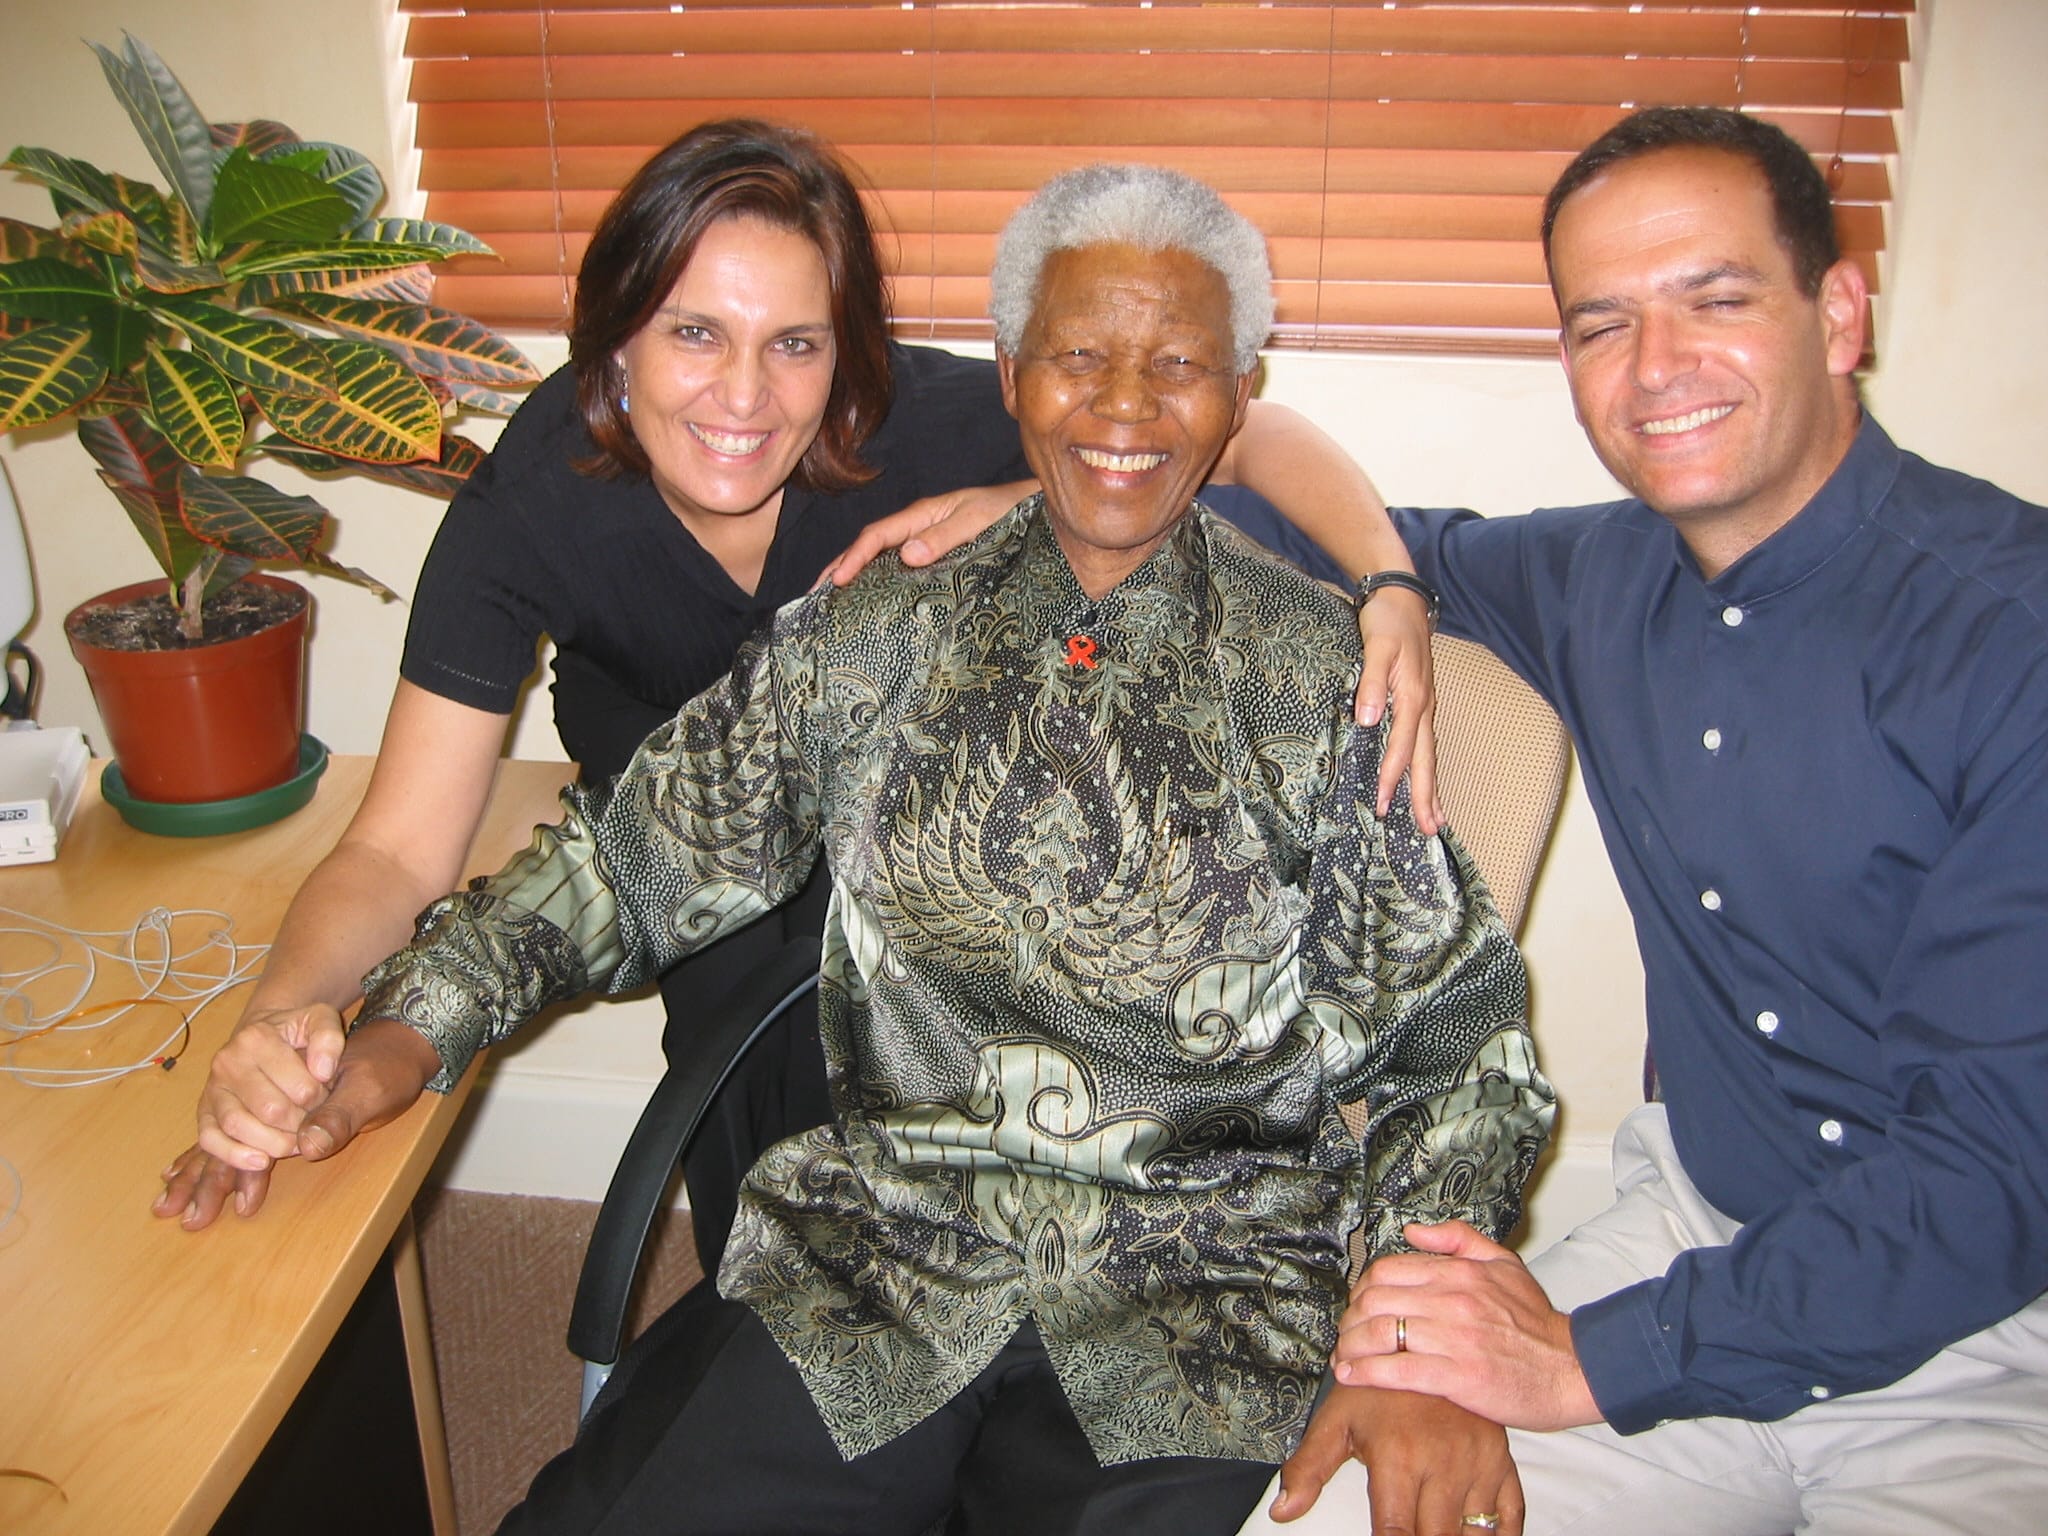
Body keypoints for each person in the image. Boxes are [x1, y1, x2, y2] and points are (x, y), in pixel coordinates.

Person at [313, 162, 1555, 1535]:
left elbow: (1458, 1044)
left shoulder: (1321, 682)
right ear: (1012, 379)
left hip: (1204, 1306)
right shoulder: (876, 631)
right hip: (885, 1260)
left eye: (1182, 364)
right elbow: (626, 863)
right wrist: (403, 1033)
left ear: (1238, 399)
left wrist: (1415, 1340)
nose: (1127, 407)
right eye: (1080, 358)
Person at [151, 120, 1441, 1277]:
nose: (745, 397)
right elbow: (394, 846)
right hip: (697, 899)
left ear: (846, 354)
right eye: (694, 332)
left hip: (927, 881)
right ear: (614, 342)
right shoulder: (533, 504)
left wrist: (1387, 582)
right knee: (799, 1228)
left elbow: (1230, 430)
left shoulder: (914, 424)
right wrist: (286, 1030)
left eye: (796, 345)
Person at [1219, 107, 2048, 1535]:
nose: (1656, 368)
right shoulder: (1600, 579)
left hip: (1991, 1328)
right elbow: (1277, 514)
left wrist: (1590, 1358)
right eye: (1603, 323)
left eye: (1715, 301)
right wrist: (1056, 511)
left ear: (1837, 314)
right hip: (1697, 1228)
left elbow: (1996, 1169)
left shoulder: (2012, 641)